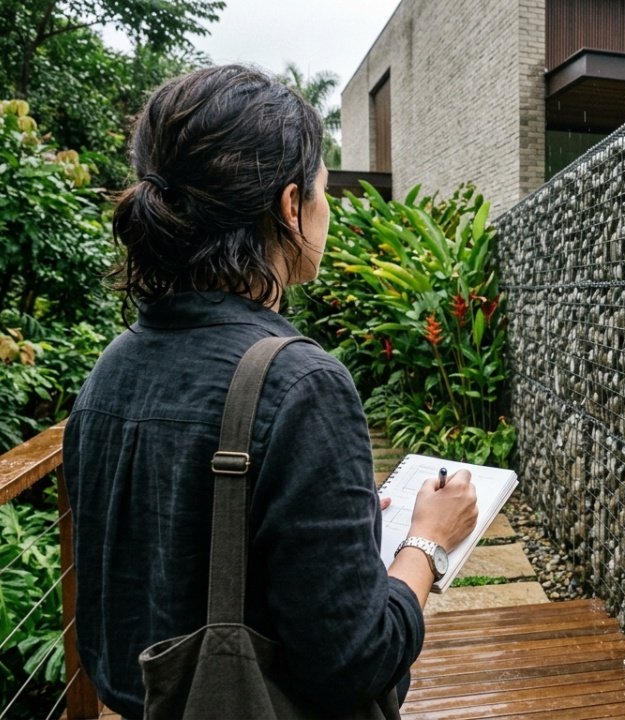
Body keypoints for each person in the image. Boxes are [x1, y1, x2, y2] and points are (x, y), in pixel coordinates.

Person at [62, 64, 478, 718]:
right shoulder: (301, 383)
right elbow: (357, 660)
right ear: (290, 207)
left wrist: (334, 520)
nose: (327, 207)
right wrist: (426, 541)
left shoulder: (114, 365)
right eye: (323, 188)